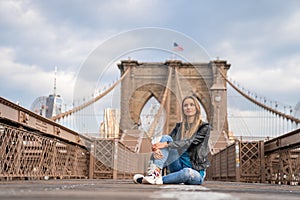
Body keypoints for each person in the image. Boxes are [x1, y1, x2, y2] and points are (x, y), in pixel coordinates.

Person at [133, 95, 211, 185]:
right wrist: (156, 149)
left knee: (187, 172)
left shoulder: (204, 127)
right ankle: (155, 173)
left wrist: (166, 144)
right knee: (166, 138)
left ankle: (159, 180)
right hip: (177, 165)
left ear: (197, 108)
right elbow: (165, 144)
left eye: (191, 105)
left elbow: (191, 142)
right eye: (185, 105)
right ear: (183, 109)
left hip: (195, 172)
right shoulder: (179, 127)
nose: (188, 107)